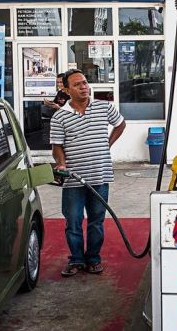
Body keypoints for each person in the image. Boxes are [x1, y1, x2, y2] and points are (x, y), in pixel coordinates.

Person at [50, 69, 126, 277]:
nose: (84, 87)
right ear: (66, 90)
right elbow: (57, 146)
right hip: (73, 178)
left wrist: (107, 144)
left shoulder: (104, 107)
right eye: (77, 85)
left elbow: (120, 124)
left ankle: (93, 259)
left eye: (84, 82)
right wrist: (61, 164)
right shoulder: (60, 116)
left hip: (100, 175)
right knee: (73, 221)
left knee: (96, 221)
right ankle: (76, 259)